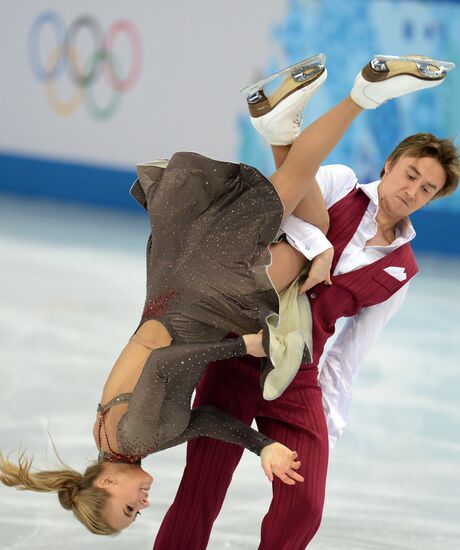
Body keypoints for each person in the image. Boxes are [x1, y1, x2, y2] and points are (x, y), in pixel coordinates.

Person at [153, 56, 460, 549]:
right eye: (410, 174)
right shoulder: (337, 184)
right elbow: (281, 215)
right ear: (389, 164)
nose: (413, 191)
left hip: (296, 371)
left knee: (306, 506)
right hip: (239, 346)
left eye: (428, 189)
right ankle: (291, 124)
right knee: (201, 491)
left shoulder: (402, 270)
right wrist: (320, 248)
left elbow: (351, 356)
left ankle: (283, 127)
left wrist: (324, 434)